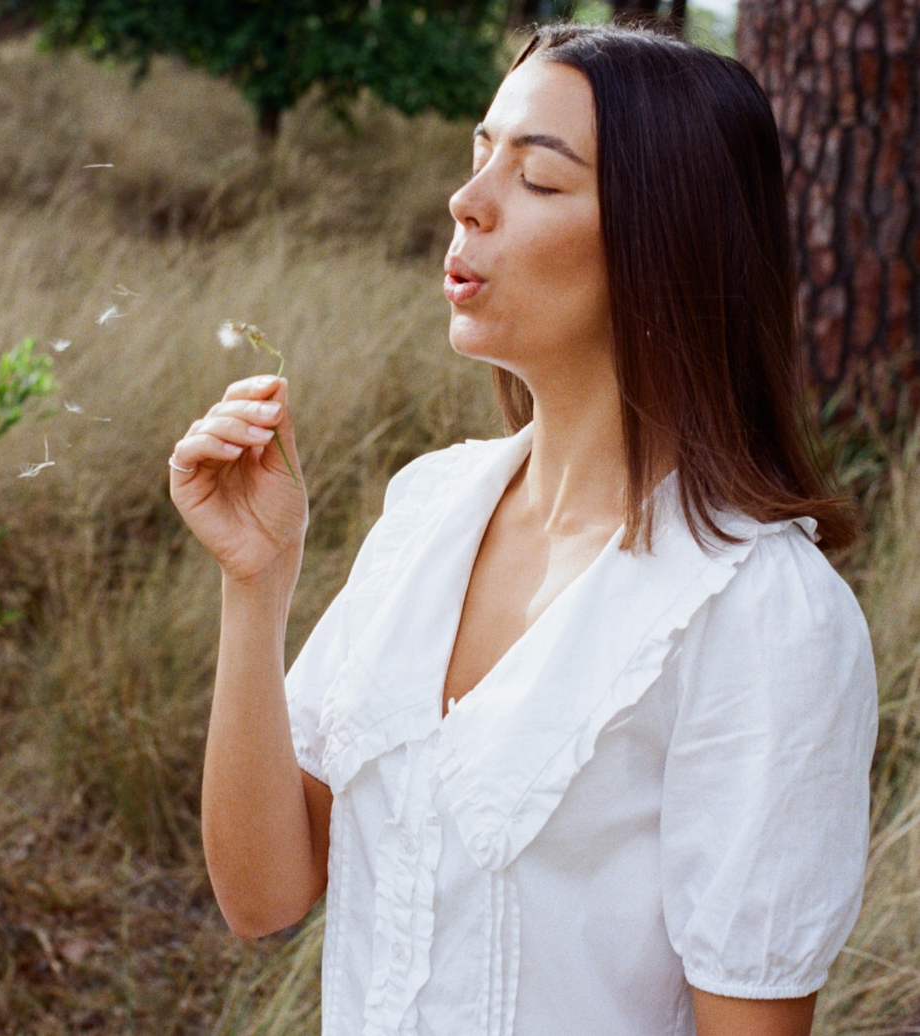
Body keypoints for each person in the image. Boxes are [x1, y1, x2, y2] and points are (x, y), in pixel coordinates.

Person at [169, 22, 878, 1036]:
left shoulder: (763, 616)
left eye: (537, 181)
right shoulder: (428, 508)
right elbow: (264, 896)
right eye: (477, 157)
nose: (466, 202)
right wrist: (256, 579)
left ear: (662, 240)